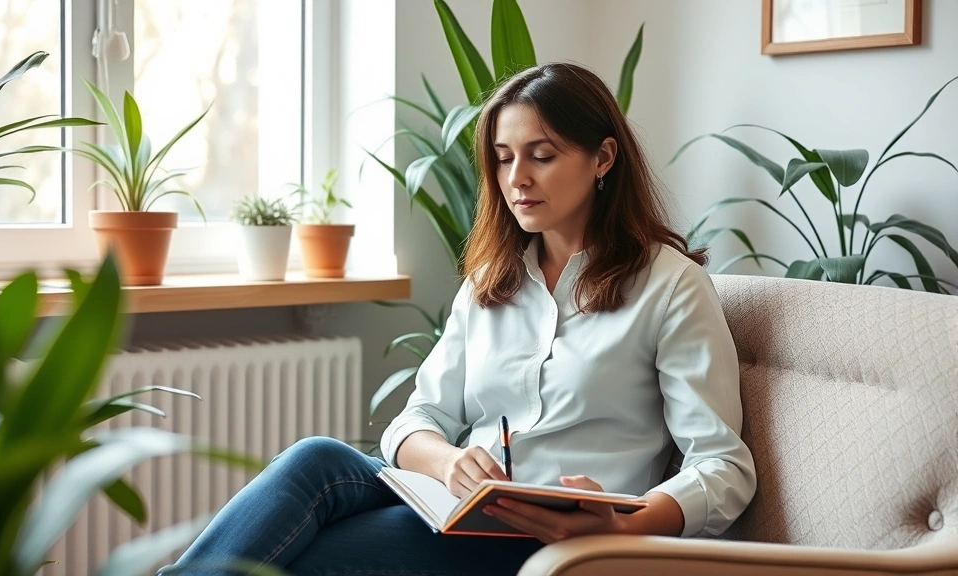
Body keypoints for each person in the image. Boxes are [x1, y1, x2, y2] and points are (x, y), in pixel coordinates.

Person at [162, 61, 756, 576]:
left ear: (602, 157)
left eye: (541, 156)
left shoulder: (670, 287)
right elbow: (418, 419)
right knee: (316, 458)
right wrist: (449, 463)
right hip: (453, 507)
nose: (516, 179)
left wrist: (623, 527)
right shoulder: (491, 282)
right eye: (503, 159)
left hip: (550, 540)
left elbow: (722, 466)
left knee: (295, 555)